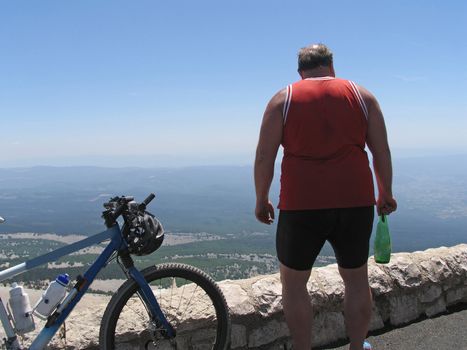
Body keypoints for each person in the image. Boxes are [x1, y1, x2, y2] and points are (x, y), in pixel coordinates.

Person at [254, 43, 397, 350]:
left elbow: (265, 156)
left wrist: (261, 198)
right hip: (356, 201)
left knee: (293, 286)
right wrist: (385, 191)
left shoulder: (283, 99)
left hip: (301, 204)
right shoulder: (363, 96)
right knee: (357, 280)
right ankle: (357, 347)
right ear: (332, 66)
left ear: (300, 72)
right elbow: (380, 151)